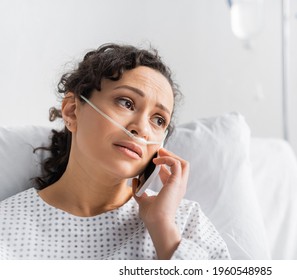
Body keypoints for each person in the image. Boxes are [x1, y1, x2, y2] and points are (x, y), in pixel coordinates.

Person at [0, 43, 230, 260]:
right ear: (71, 111)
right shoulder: (6, 225)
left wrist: (163, 229)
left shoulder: (184, 221)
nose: (141, 128)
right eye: (126, 103)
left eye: (159, 120)